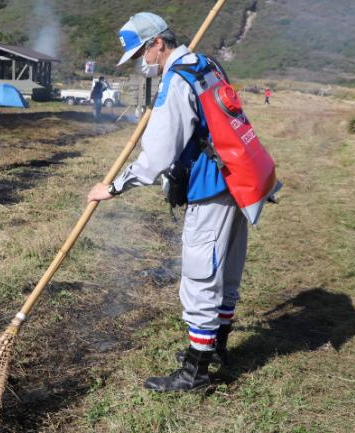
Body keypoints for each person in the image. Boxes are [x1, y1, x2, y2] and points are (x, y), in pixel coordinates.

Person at [87, 12, 249, 392]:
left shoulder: (177, 79)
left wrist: (112, 187)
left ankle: (195, 373)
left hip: (211, 186)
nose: (142, 61)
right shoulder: (205, 64)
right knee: (225, 273)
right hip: (237, 180)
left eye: (142, 52)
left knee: (200, 277)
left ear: (158, 42)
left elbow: (156, 157)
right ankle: (214, 348)